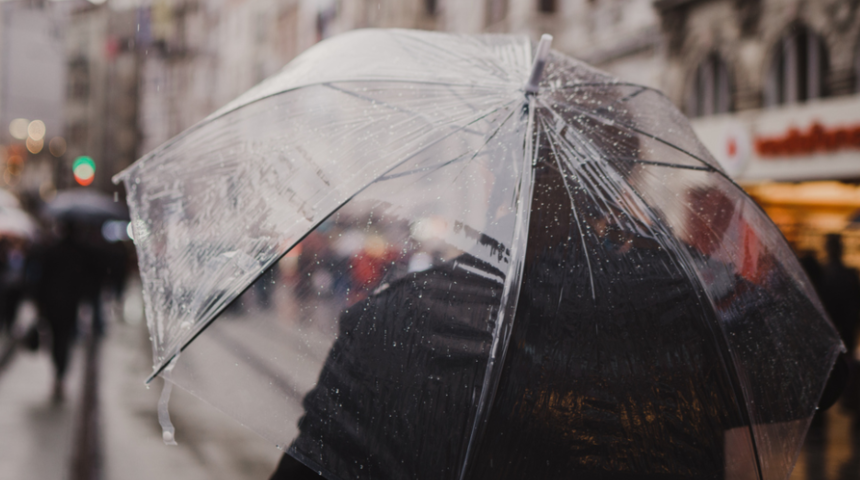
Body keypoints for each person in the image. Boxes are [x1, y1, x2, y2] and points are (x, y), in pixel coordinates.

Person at [31, 222, 98, 401]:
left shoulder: (52, 251)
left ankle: (58, 371)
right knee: (64, 338)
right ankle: (60, 373)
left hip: (52, 303)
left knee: (56, 338)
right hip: (69, 304)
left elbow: (41, 278)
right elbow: (87, 278)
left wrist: (38, 301)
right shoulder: (80, 252)